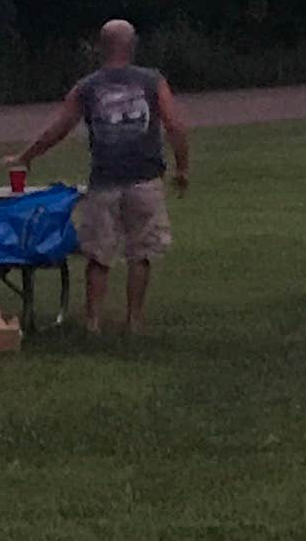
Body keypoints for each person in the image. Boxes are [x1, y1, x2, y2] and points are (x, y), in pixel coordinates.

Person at [17, 19, 191, 335]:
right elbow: (176, 125)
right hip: (145, 179)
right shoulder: (153, 81)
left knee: (98, 254)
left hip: (104, 181)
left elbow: (59, 128)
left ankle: (93, 321)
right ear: (133, 44)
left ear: (100, 47)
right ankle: (134, 320)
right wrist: (182, 168)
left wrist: (26, 157)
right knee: (141, 252)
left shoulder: (87, 87)